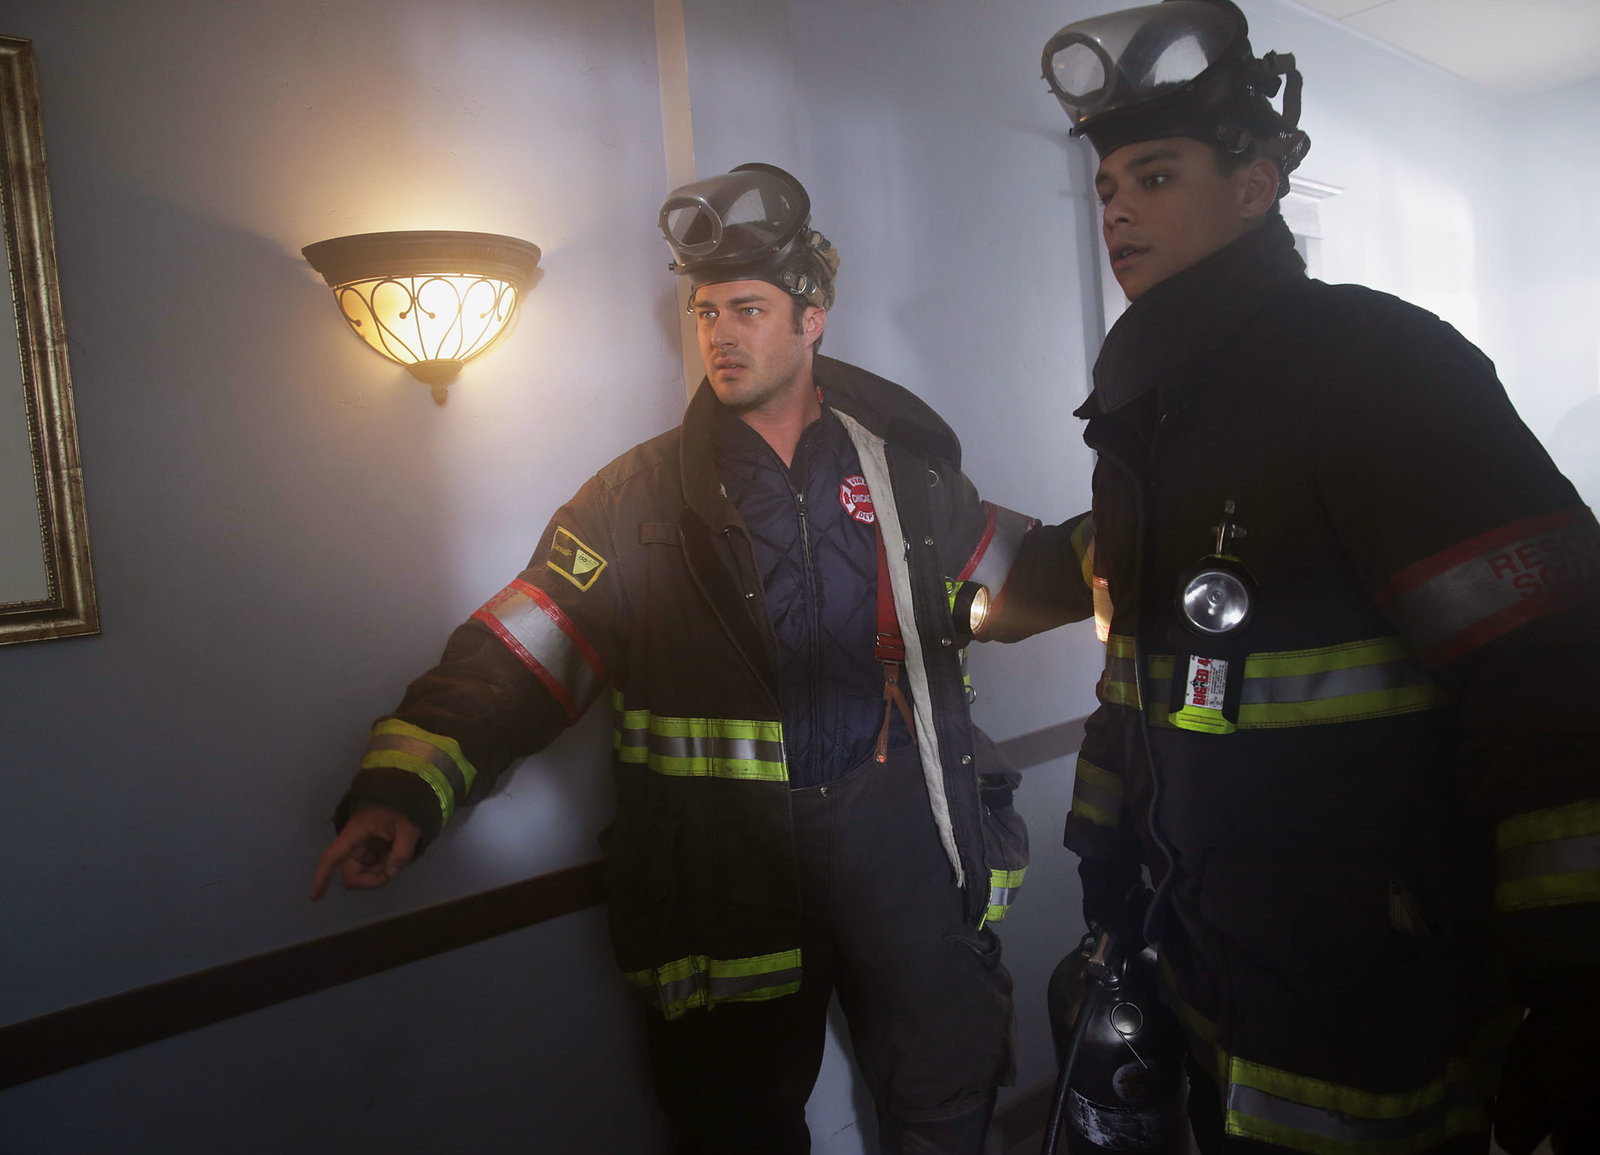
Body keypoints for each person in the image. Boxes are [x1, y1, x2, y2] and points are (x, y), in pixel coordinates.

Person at [311, 163, 1091, 1154]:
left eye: (748, 309)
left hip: (900, 842)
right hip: (727, 870)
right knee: (734, 1121)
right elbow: (522, 651)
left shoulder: (904, 474)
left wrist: (1130, 538)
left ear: (812, 319)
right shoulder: (635, 502)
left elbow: (1025, 574)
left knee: (943, 1090)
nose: (720, 333)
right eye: (707, 311)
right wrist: (405, 786)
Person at [1037, 2, 1600, 1152]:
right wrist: (1103, 857)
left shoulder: (1378, 369)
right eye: (1106, 188)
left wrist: (1579, 975)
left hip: (1380, 997)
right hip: (1212, 973)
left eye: (1155, 175)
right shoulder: (1148, 424)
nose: (1118, 210)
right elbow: (1133, 679)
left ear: (1256, 185)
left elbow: (1550, 677)